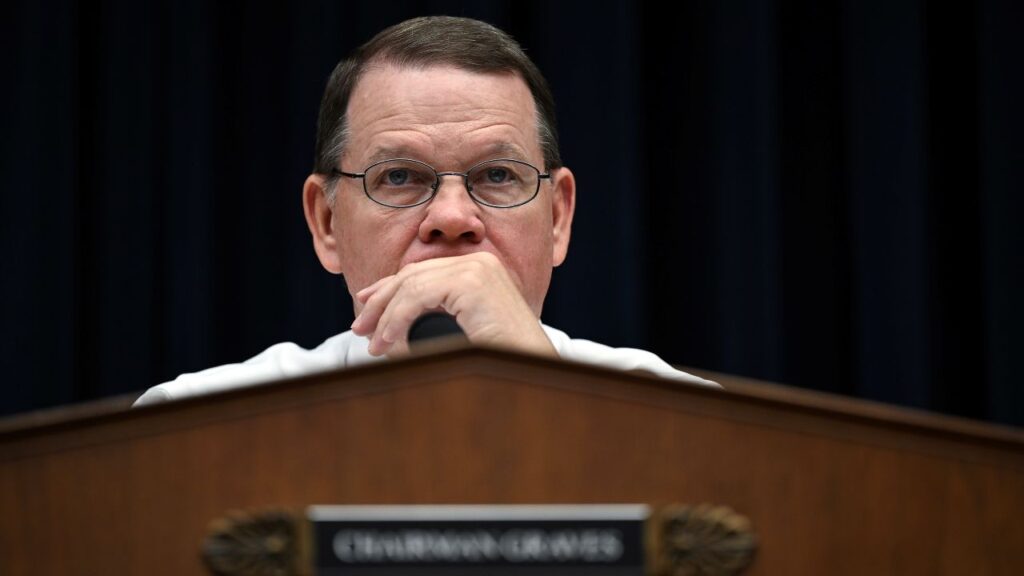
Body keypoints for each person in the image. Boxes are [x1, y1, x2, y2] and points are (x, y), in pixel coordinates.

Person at [134, 16, 716, 406]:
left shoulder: (681, 420)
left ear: (559, 218)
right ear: (327, 223)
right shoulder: (195, 422)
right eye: (400, 177)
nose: (453, 217)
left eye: (496, 175)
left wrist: (541, 392)